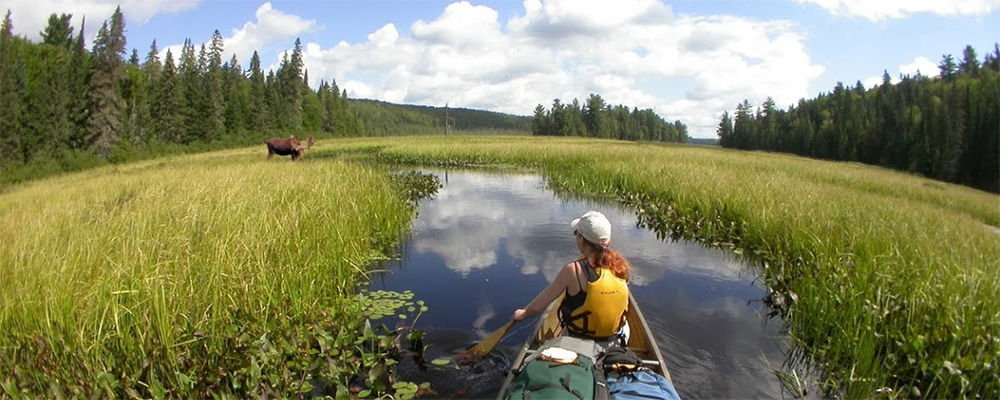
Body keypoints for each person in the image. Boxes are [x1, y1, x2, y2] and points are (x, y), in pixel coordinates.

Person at [512, 210, 631, 343]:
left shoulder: (573, 270)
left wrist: (523, 313)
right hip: (615, 340)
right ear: (608, 240)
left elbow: (537, 307)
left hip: (579, 340)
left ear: (581, 239)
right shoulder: (620, 266)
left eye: (576, 233)